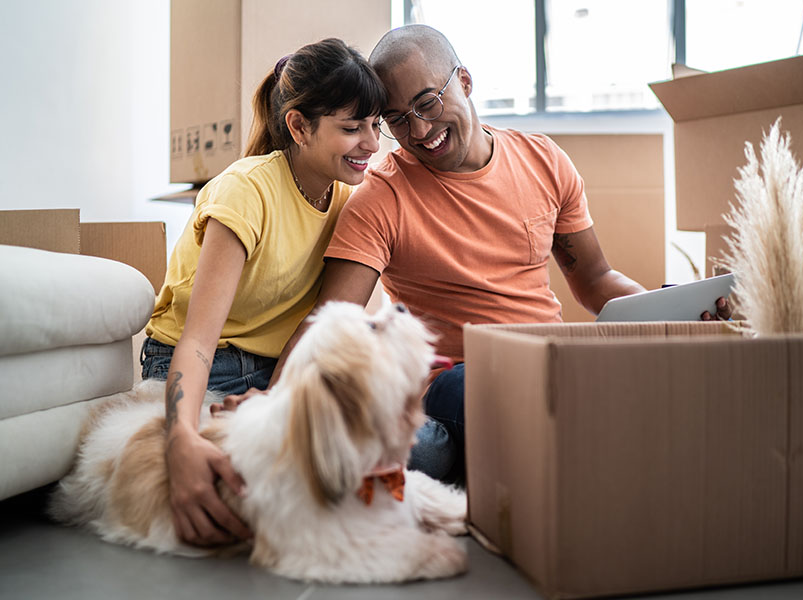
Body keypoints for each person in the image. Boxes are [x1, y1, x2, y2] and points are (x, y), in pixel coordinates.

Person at [232, 25, 732, 485]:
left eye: (428, 103)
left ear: (465, 82)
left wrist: (669, 316)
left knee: (638, 384)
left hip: (554, 366)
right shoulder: (381, 198)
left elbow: (596, 281)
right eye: (397, 120)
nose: (420, 131)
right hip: (454, 383)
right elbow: (329, 321)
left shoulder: (544, 160)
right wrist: (270, 409)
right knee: (488, 392)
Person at [139, 38, 386, 546]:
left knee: (382, 446)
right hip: (204, 363)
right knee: (242, 475)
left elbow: (322, 327)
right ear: (299, 126)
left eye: (376, 125)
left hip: (276, 371)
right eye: (351, 128)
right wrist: (180, 438)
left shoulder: (347, 198)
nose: (372, 144)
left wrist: (276, 396)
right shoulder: (246, 191)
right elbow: (198, 340)